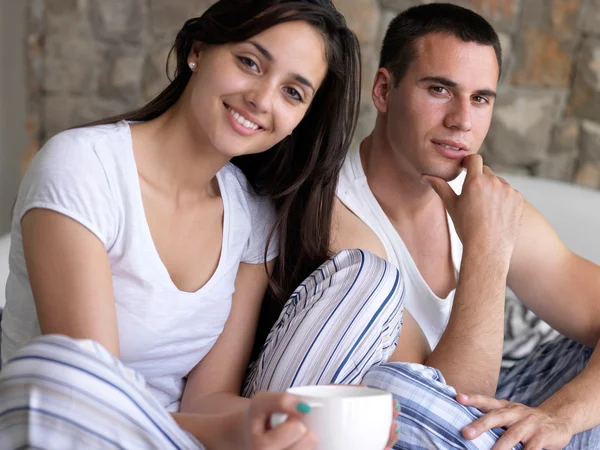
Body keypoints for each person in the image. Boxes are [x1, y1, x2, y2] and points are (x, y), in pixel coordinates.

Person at [0, 1, 401, 448]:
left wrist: (279, 426)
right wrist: (237, 432)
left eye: (293, 93)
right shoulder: (83, 167)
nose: (261, 98)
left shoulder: (251, 215)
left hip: (182, 439)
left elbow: (207, 399)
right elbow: (90, 393)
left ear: (301, 120)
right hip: (63, 427)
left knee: (374, 277)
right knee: (60, 373)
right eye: (249, 62)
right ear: (198, 48)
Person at [244, 3, 600, 449]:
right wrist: (487, 250)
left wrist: (559, 418)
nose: (462, 121)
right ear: (383, 90)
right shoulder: (334, 221)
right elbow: (435, 407)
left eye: (480, 99)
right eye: (439, 89)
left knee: (589, 384)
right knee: (405, 390)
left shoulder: (492, 204)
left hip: (470, 424)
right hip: (368, 428)